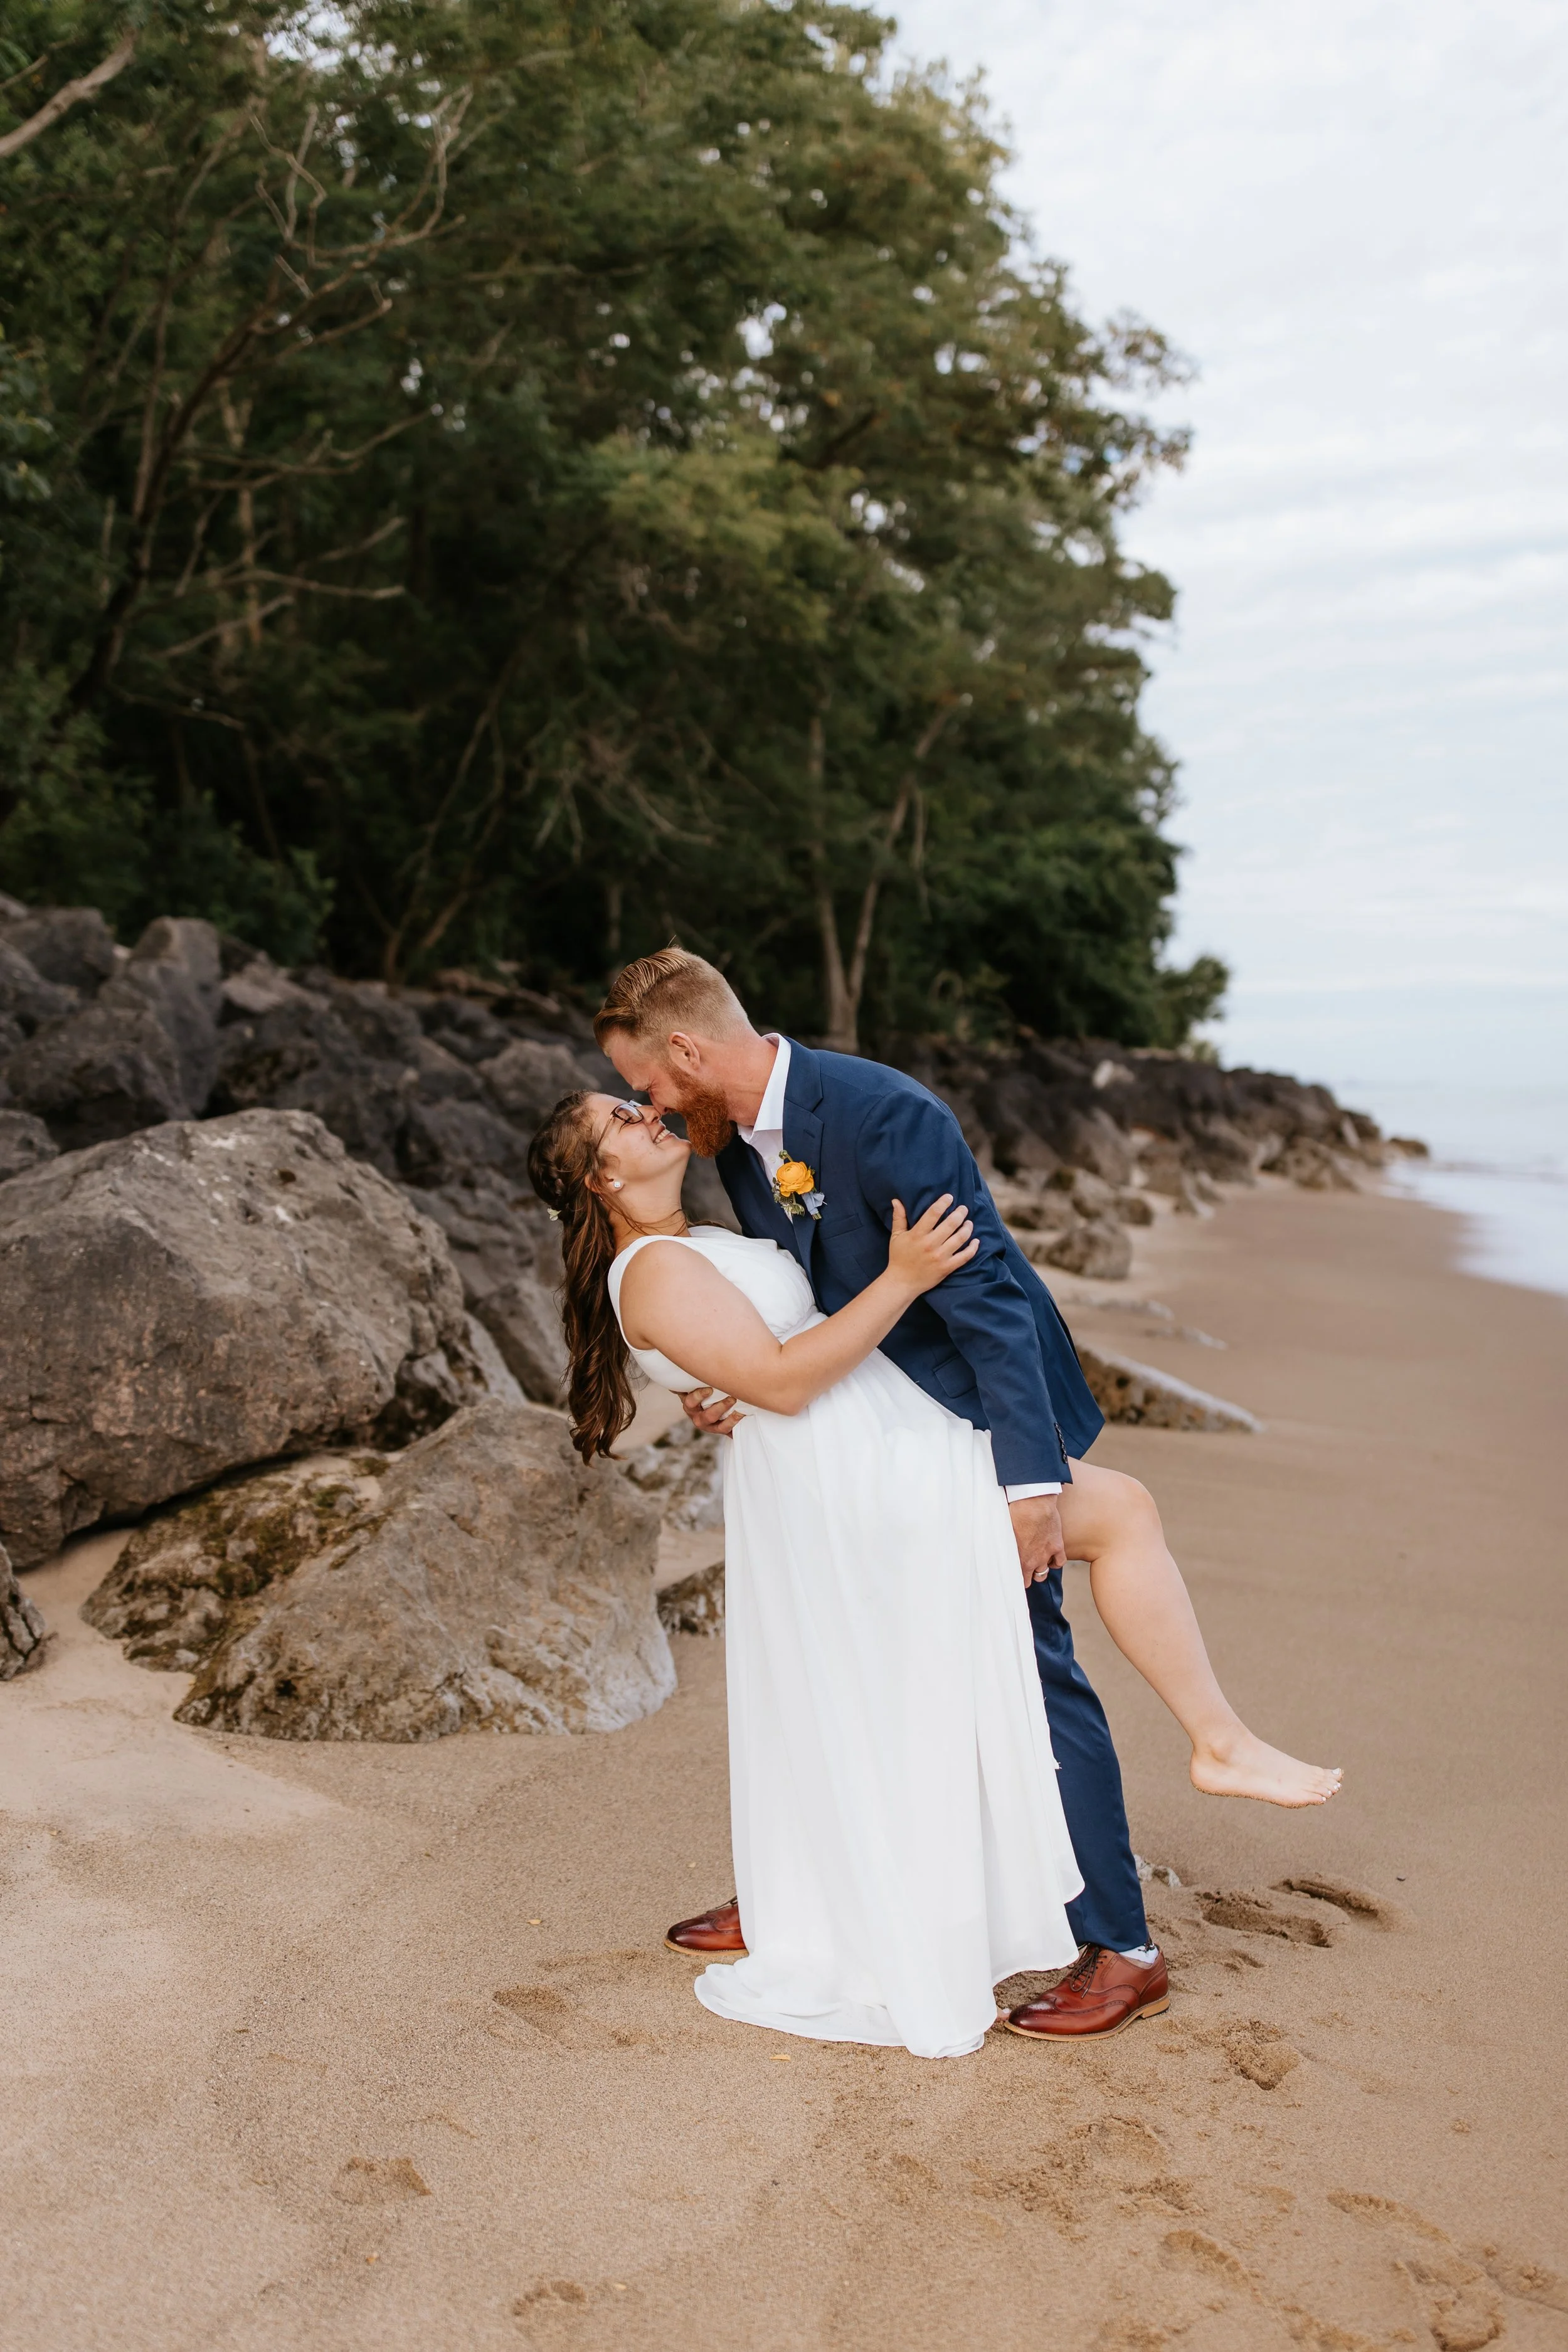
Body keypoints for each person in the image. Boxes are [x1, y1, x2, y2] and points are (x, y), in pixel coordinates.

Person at [531, 950, 1339, 2051]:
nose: (657, 1108)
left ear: (684, 1051)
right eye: (633, 1110)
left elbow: (992, 1299)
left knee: (1023, 1657)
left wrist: (1027, 1480)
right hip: (848, 1453)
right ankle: (843, 1899)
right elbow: (769, 1311)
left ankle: (1123, 1928)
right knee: (877, 1679)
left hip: (952, 1421)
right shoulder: (734, 1153)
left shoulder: (878, 1112)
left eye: (650, 1086)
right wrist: (727, 1383)